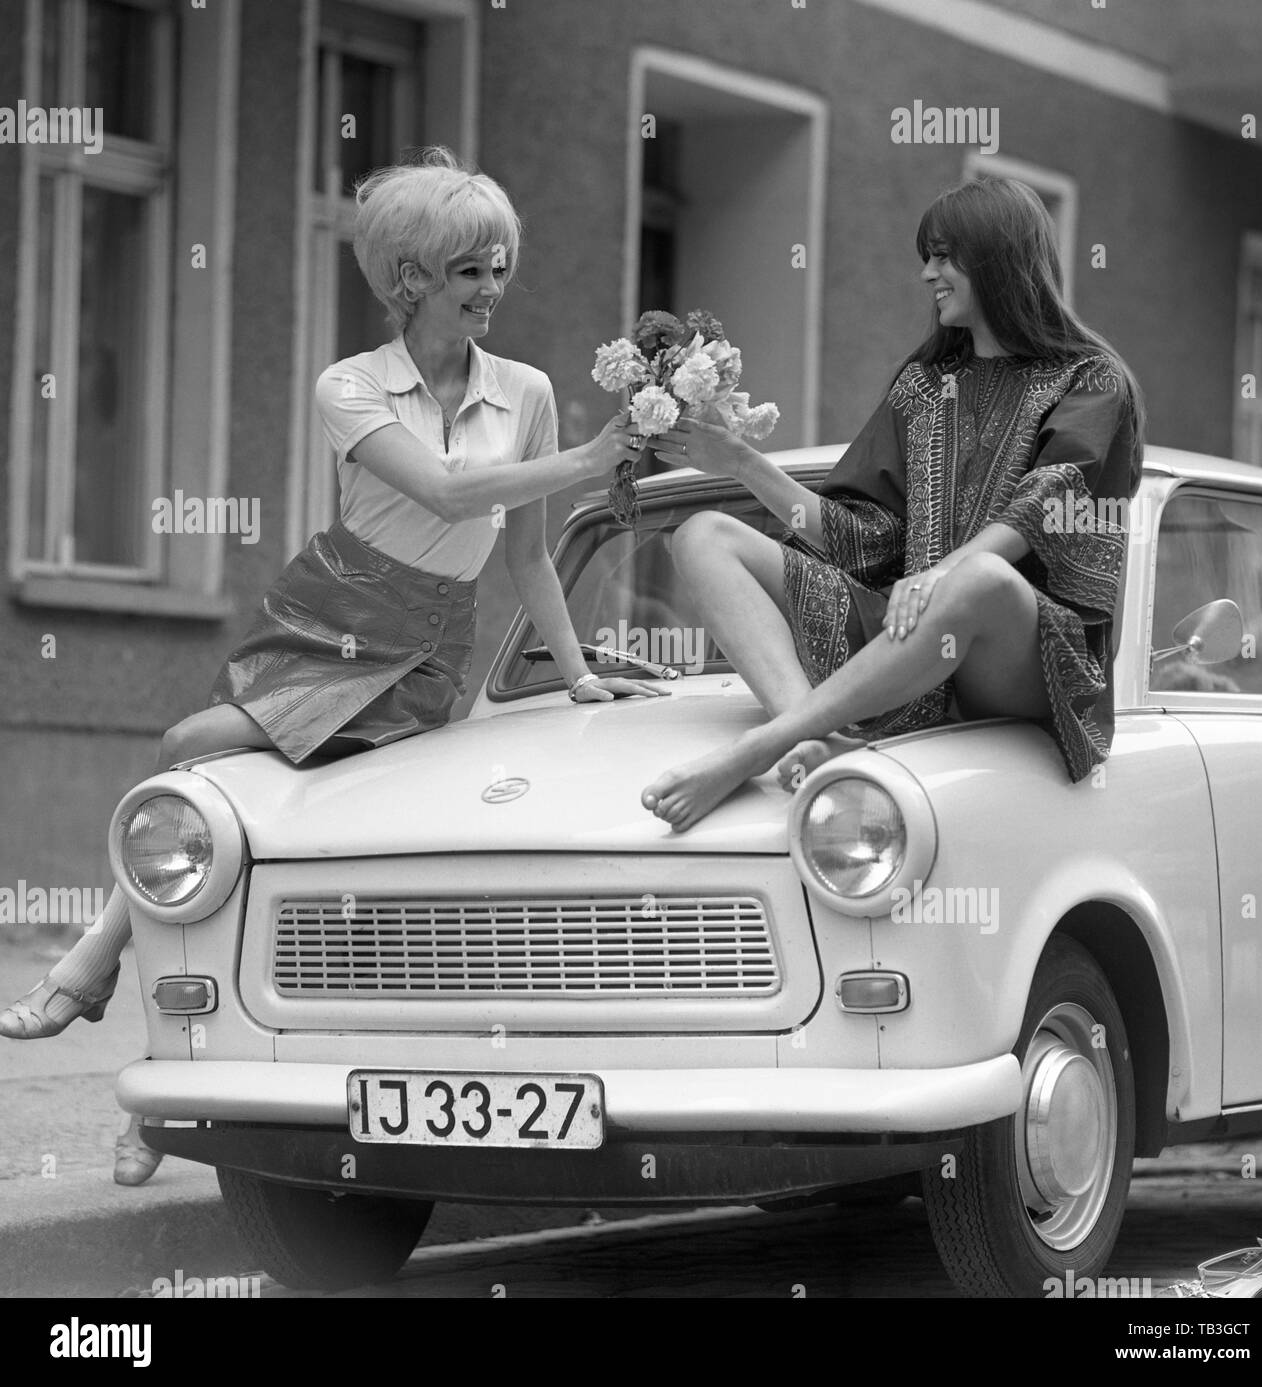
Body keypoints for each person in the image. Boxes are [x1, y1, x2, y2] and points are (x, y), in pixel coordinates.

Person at [2, 146, 657, 1181]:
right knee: (203, 791)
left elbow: (527, 553)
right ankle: (145, 1047)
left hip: (421, 648)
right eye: (467, 271)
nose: (492, 289)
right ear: (410, 279)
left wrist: (573, 673)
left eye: (498, 266)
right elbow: (444, 491)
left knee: (204, 787)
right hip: (328, 617)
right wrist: (591, 458)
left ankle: (104, 990)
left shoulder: (524, 391)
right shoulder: (348, 386)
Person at [641, 176, 1144, 831]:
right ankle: (808, 737)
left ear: (995, 257)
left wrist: (942, 575)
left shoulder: (1092, 378)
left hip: (1027, 656)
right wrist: (739, 461)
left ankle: (760, 745)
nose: (926, 273)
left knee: (982, 579)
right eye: (925, 257)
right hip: (911, 638)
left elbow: (1052, 497)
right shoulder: (923, 386)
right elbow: (861, 540)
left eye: (943, 256)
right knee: (702, 535)